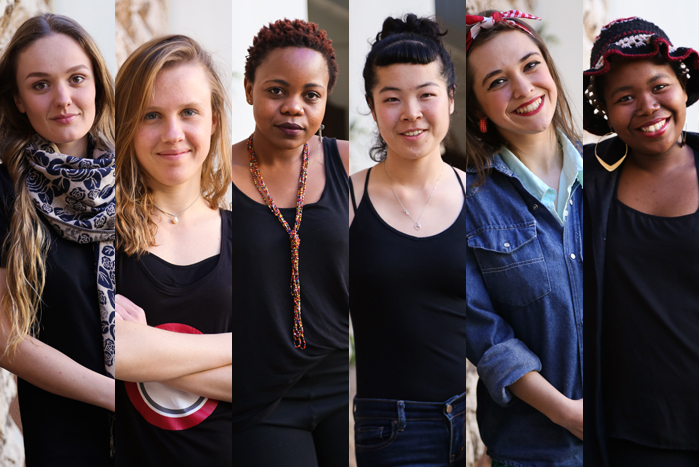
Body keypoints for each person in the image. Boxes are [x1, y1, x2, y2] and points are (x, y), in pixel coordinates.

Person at [465, 10, 583, 467]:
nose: (523, 88)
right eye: (497, 81)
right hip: (533, 452)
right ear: (477, 112)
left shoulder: (610, 177)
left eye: (531, 66)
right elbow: (488, 337)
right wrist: (568, 414)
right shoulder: (468, 202)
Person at [230, 19, 349, 467]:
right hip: (260, 395)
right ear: (249, 89)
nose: (293, 107)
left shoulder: (347, 163)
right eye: (276, 91)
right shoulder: (214, 174)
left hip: (345, 383)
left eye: (310, 95)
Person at [349, 14, 466, 466]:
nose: (411, 113)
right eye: (392, 98)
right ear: (373, 106)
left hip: (479, 416)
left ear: (451, 99)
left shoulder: (483, 194)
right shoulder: (345, 199)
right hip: (392, 429)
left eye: (426, 95)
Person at [0, 13, 116, 465]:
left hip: (162, 429)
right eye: (41, 84)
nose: (64, 99)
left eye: (76, 78)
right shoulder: (6, 192)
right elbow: (7, 334)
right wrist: (117, 397)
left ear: (97, 85)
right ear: (19, 100)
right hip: (66, 439)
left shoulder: (138, 178)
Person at [582, 17, 699, 466]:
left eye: (659, 87)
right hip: (634, 432)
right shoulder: (588, 177)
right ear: (607, 113)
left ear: (682, 87)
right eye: (625, 98)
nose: (648, 106)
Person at [114, 35, 233, 465]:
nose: (173, 134)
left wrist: (148, 349)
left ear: (214, 120)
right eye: (151, 115)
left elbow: (274, 373)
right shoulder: (100, 237)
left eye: (189, 112)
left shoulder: (250, 238)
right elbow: (113, 350)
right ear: (128, 123)